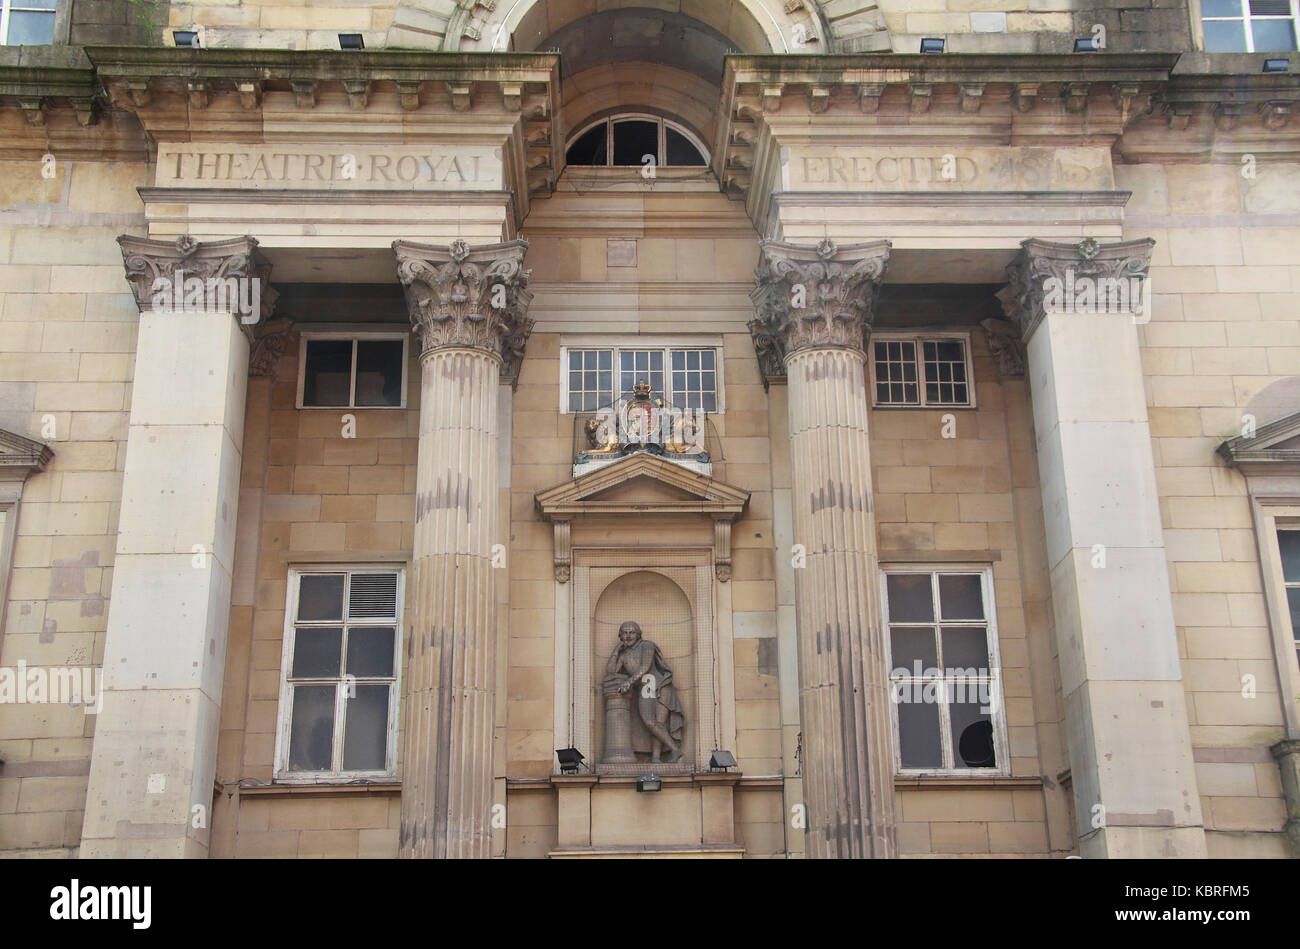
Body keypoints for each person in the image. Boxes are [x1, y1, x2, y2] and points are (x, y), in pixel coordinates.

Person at [604, 620, 685, 763]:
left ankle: (662, 755)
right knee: (651, 723)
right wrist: (616, 651)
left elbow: (645, 666)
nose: (628, 636)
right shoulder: (623, 656)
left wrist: (629, 682)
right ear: (621, 636)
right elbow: (611, 672)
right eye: (625, 633)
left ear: (638, 634)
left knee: (656, 722)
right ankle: (664, 755)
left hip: (660, 686)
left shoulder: (647, 645)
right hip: (645, 690)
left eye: (632, 632)